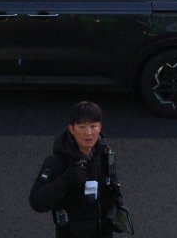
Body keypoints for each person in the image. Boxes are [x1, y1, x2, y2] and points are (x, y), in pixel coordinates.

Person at [29, 101, 127, 238]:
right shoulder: (57, 162)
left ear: (100, 127)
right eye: (82, 127)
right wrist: (66, 181)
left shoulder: (105, 153)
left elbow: (112, 185)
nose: (88, 133)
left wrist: (117, 210)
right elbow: (37, 201)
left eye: (93, 126)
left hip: (103, 231)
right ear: (72, 129)